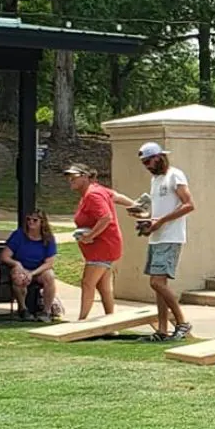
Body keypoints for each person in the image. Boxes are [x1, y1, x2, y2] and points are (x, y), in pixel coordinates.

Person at [135, 142, 196, 342]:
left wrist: (160, 221)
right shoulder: (156, 180)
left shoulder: (175, 175)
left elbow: (188, 205)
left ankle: (182, 323)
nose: (147, 166)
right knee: (158, 285)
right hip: (157, 237)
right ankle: (162, 330)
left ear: (159, 157)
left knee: (157, 282)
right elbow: (156, 212)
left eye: (148, 161)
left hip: (171, 236)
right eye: (144, 163)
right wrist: (146, 221)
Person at [65, 164, 127, 320]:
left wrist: (90, 235)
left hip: (102, 246)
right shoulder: (97, 190)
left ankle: (81, 321)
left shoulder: (93, 195)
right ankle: (111, 322)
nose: (70, 179)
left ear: (85, 177)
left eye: (74, 176)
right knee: (103, 286)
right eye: (68, 176)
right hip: (104, 246)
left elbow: (106, 217)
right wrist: (136, 206)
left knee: (87, 283)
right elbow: (117, 196)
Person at [0, 209, 58, 321]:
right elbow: (4, 256)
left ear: (42, 222)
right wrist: (17, 264)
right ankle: (23, 309)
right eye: (28, 220)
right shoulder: (19, 235)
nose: (31, 222)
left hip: (38, 270)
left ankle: (46, 311)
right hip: (21, 268)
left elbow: (49, 263)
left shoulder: (48, 238)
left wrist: (32, 273)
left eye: (35, 220)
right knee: (18, 277)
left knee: (50, 276)